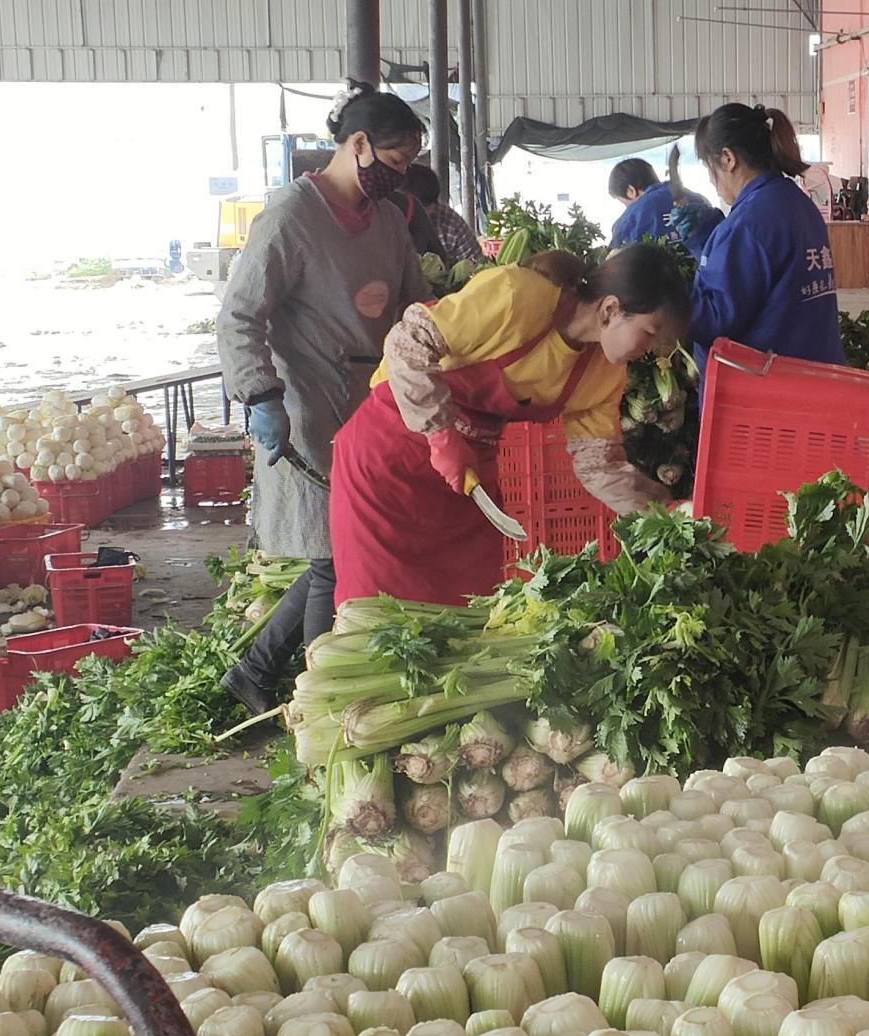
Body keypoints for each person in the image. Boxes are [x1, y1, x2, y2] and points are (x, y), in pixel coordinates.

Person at [216, 89, 431, 714]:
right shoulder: (291, 217)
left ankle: (254, 671)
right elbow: (239, 316)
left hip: (373, 408)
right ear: (357, 145)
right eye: (393, 160)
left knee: (336, 551)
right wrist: (261, 395)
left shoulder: (386, 221)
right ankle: (323, 705)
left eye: (407, 164)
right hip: (305, 406)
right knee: (334, 554)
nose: (397, 176)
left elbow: (416, 304)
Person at [328, 245, 688, 606]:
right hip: (389, 459)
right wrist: (440, 435)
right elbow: (408, 341)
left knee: (467, 612)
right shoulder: (519, 295)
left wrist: (664, 514)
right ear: (610, 309)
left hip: (467, 480)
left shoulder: (605, 374)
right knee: (378, 610)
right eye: (649, 333)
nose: (651, 349)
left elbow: (600, 466)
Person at [690, 103, 843, 372]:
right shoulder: (796, 202)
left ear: (727, 158)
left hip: (766, 386)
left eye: (708, 167)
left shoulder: (748, 224)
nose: (712, 181)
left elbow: (717, 321)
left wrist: (670, 298)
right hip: (813, 375)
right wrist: (709, 242)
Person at [609, 147, 721, 257]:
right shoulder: (699, 200)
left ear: (631, 191)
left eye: (624, 203)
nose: (628, 209)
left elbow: (614, 259)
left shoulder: (630, 220)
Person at [398, 162, 486, 266]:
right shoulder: (383, 221)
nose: (421, 215)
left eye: (430, 206)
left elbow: (477, 263)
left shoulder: (450, 223)